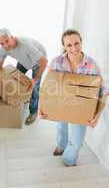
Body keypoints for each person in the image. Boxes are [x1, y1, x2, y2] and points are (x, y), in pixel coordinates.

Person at [40, 29, 108, 166]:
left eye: (76, 43)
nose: (74, 48)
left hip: (81, 107)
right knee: (61, 125)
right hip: (61, 103)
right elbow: (47, 86)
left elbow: (103, 91)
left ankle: (68, 159)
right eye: (69, 45)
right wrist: (41, 108)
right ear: (64, 46)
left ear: (81, 42)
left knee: (77, 141)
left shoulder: (91, 65)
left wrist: (97, 116)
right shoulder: (57, 62)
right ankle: (61, 145)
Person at [0, 28, 48, 125]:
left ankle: (33, 112)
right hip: (24, 59)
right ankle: (21, 96)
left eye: (7, 41)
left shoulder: (25, 46)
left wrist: (36, 79)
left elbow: (44, 61)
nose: (5, 45)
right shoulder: (4, 48)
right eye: (2, 43)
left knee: (34, 88)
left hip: (38, 61)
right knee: (15, 79)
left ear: (12, 37)